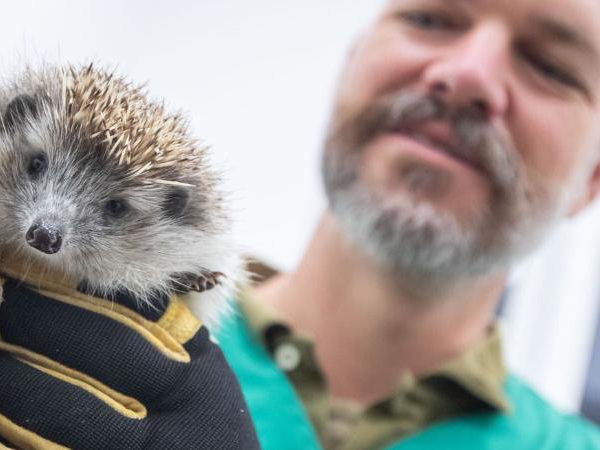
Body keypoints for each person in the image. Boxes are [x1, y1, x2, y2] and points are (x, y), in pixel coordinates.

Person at [214, 0, 600, 448]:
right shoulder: (125, 342)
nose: (467, 74)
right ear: (351, 60)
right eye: (428, 19)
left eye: (549, 66)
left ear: (591, 180)